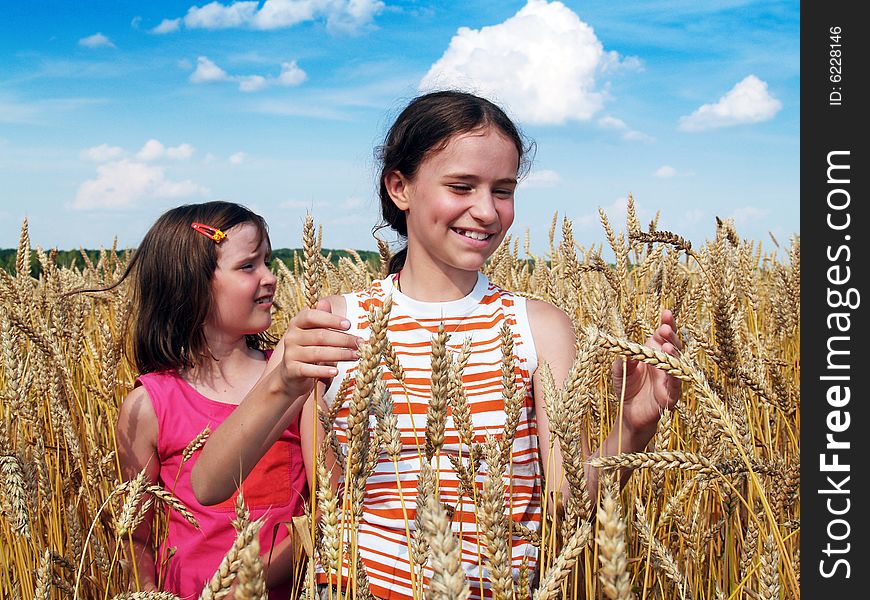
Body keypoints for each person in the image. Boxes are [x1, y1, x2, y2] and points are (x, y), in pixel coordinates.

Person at [191, 91, 682, 599]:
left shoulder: (540, 327)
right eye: (462, 186)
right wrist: (282, 381)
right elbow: (211, 485)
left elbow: (566, 504)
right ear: (400, 186)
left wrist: (632, 425)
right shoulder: (339, 321)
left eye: (504, 190)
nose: (487, 211)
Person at [113, 201, 308, 598]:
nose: (270, 277)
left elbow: (325, 514)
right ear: (190, 284)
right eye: (248, 266)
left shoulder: (295, 383)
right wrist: (146, 591)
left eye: (268, 262)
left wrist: (249, 580)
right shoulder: (148, 405)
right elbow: (135, 535)